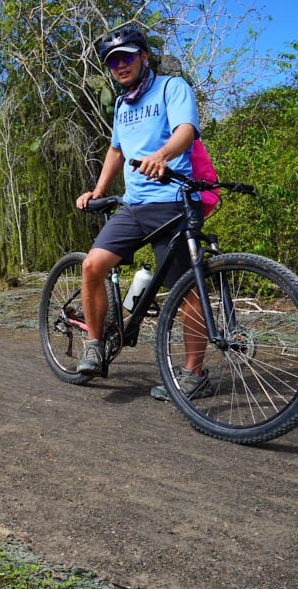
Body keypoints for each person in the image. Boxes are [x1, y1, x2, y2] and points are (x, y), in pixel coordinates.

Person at [75, 25, 209, 401]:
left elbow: (186, 129)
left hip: (173, 203)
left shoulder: (171, 88)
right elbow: (116, 150)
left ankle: (194, 374)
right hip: (134, 207)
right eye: (113, 60)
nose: (120, 65)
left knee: (187, 290)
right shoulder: (121, 104)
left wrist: (162, 155)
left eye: (127, 57)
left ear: (143, 57)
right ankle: (94, 345)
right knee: (92, 266)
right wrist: (99, 190)